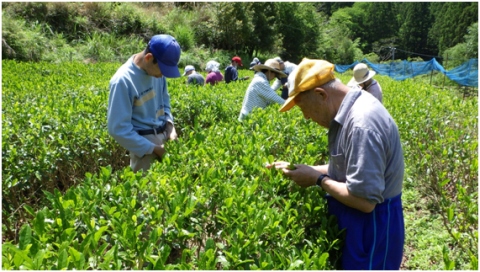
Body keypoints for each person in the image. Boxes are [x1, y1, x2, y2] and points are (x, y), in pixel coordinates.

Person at [267, 58, 405, 269]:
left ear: (321, 95)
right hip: (357, 218)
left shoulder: (361, 123)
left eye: (304, 108)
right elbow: (347, 169)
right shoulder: (346, 115)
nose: (305, 117)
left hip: (374, 225)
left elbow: (365, 202)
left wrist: (317, 179)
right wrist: (302, 169)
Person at [107, 34, 181, 172]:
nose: (162, 75)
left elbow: (165, 101)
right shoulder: (123, 80)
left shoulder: (157, 73)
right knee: (147, 191)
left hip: (164, 136)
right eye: (162, 70)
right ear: (149, 58)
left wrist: (170, 127)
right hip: (144, 147)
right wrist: (153, 149)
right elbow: (117, 128)